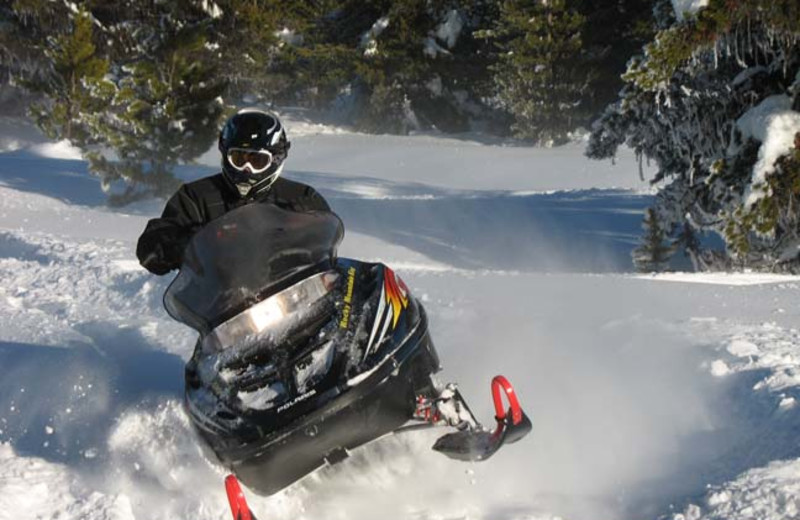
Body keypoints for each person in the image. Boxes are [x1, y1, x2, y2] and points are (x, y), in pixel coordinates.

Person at [136, 109, 331, 275]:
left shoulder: (301, 198)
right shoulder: (197, 196)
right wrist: (189, 244)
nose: (246, 169)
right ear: (225, 154)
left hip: (289, 297)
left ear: (276, 159)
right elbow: (152, 246)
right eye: (238, 158)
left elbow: (326, 243)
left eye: (257, 161)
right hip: (218, 304)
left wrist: (293, 238)